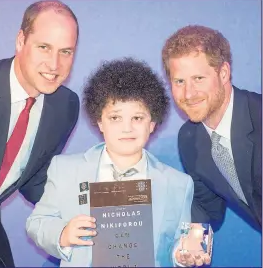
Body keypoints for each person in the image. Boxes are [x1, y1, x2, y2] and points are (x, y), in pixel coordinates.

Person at [26, 58, 211, 267]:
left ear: (152, 124)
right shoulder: (65, 170)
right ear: (99, 122)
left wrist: (183, 254)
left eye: (137, 118)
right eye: (115, 118)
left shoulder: (178, 184)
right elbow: (37, 223)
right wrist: (63, 234)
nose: (127, 128)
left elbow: (177, 245)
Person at [0, 1, 80, 267]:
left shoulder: (64, 106)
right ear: (21, 41)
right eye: (44, 47)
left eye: (66, 51)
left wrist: (89, 206)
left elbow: (34, 179)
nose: (54, 64)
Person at [162, 25, 262, 230]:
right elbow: (208, 210)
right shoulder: (189, 137)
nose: (188, 94)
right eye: (179, 81)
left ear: (223, 73)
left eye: (198, 78)